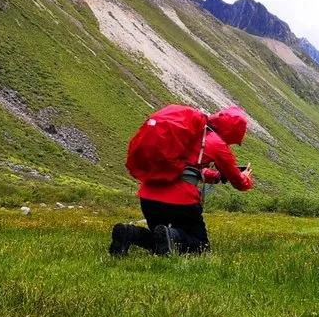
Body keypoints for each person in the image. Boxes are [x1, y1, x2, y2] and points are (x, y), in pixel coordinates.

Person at [109, 106, 254, 256]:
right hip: (181, 201)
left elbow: (186, 168)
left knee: (159, 240)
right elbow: (239, 183)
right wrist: (246, 177)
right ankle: (172, 235)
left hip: (148, 198)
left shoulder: (188, 133)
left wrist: (216, 176)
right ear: (231, 133)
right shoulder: (217, 144)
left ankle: (129, 233)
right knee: (200, 247)